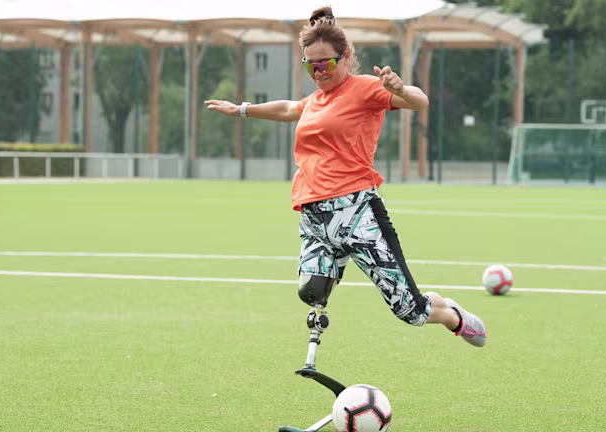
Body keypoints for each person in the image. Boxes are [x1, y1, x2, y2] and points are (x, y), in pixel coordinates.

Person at [205, 6, 486, 348]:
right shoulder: (315, 100)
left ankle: (452, 315)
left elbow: (420, 102)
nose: (318, 71)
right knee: (311, 290)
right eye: (310, 65)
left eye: (325, 63)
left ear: (346, 56)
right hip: (314, 217)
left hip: (357, 214)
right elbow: (288, 108)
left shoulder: (365, 89)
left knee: (409, 310)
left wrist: (401, 88)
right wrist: (243, 109)